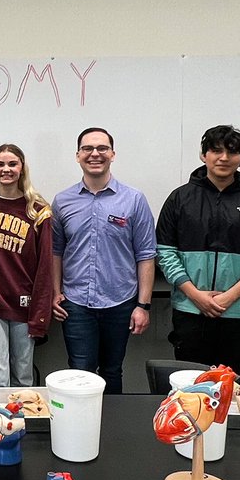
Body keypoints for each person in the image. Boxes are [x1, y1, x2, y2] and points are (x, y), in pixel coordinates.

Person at [156, 125, 240, 382]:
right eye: (216, 150)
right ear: (204, 155)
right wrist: (196, 296)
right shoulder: (179, 199)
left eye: (232, 151)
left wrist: (228, 297)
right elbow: (165, 252)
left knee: (236, 387)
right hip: (191, 311)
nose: (224, 158)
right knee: (192, 386)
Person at [51, 127, 156, 394]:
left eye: (101, 148)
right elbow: (56, 252)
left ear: (112, 154)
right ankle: (79, 432)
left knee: (112, 370)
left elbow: (146, 254)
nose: (94, 154)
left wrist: (143, 305)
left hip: (120, 302)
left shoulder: (134, 199)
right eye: (87, 148)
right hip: (76, 303)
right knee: (79, 372)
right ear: (78, 156)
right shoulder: (62, 201)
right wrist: (55, 293)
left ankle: (110, 432)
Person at [0, 143, 54, 388]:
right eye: (0, 164)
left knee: (23, 377)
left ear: (22, 168)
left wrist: (40, 315)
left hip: (24, 305)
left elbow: (46, 268)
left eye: (12, 164)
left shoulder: (39, 211)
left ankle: (21, 427)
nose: (6, 169)